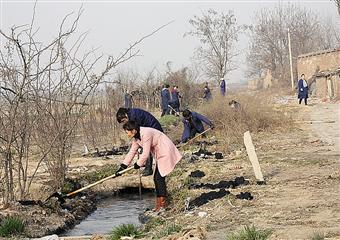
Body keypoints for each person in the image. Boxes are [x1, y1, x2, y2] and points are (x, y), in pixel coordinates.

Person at [116, 121, 182, 212]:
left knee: (159, 178)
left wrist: (138, 164)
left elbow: (146, 153)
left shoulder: (146, 133)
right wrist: (122, 166)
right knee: (156, 178)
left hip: (165, 150)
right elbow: (132, 152)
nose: (127, 134)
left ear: (134, 130)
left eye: (127, 132)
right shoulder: (137, 138)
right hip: (159, 152)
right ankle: (159, 205)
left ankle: (163, 205)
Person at [116, 107, 163, 176]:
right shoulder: (132, 116)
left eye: (123, 121)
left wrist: (139, 163)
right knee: (142, 148)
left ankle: (148, 169)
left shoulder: (134, 116)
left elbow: (145, 151)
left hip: (154, 129)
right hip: (148, 130)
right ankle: (147, 167)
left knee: (147, 149)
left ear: (126, 115)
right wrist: (123, 167)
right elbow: (133, 150)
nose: (125, 123)